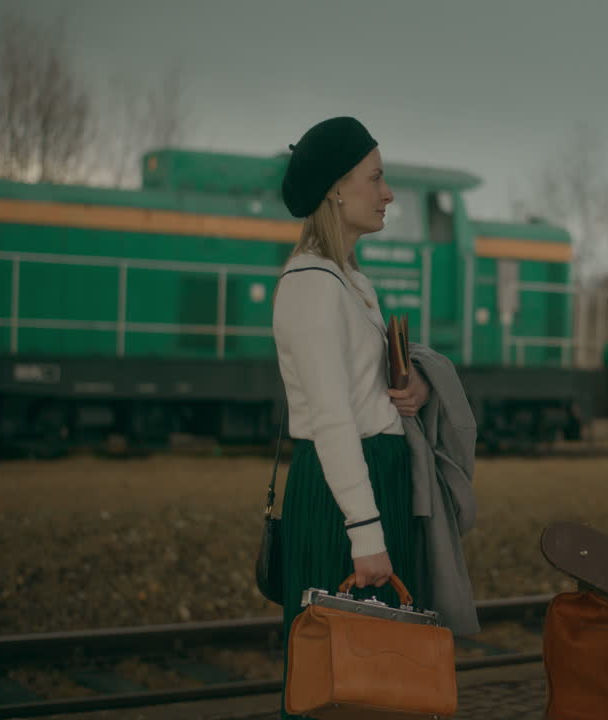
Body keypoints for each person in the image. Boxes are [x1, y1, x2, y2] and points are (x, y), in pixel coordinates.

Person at [271, 116, 433, 719]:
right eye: (377, 177)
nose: (387, 192)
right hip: (347, 501)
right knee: (339, 683)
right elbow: (334, 421)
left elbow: (362, 394)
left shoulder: (351, 282)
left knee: (378, 680)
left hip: (371, 486)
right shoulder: (312, 285)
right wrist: (366, 536)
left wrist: (406, 386)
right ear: (337, 189)